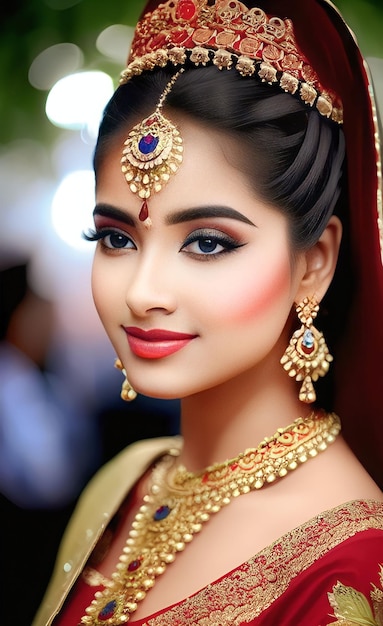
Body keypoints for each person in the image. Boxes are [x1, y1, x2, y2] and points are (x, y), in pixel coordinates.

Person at [33, 1, 383, 624]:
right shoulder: (124, 486)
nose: (142, 292)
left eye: (207, 243)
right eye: (117, 238)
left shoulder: (351, 566)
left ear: (314, 263)